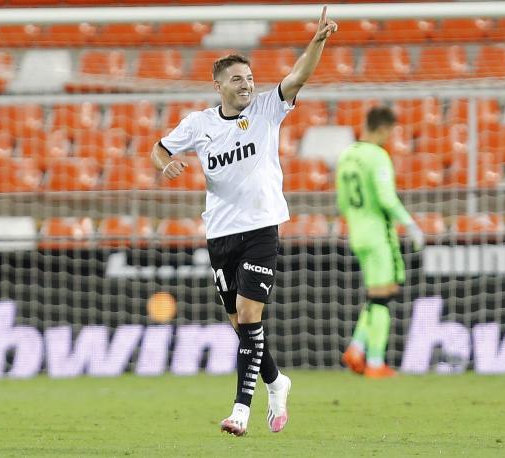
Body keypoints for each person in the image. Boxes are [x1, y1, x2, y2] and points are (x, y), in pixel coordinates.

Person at [150, 6, 338, 437]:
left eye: (250, 78)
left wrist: (319, 40)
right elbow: (158, 148)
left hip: (260, 228)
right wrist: (167, 164)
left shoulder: (269, 109)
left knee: (251, 317)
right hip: (219, 234)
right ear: (218, 86)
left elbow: (297, 76)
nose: (247, 84)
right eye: (237, 79)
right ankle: (277, 381)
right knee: (241, 327)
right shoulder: (199, 124)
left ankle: (240, 410)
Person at [336, 106, 424, 379]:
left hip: (356, 232)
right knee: (384, 297)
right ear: (384, 129)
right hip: (378, 233)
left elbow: (340, 200)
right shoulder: (378, 156)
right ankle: (375, 363)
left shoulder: (347, 155)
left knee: (374, 296)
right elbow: (386, 198)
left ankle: (356, 348)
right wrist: (409, 223)